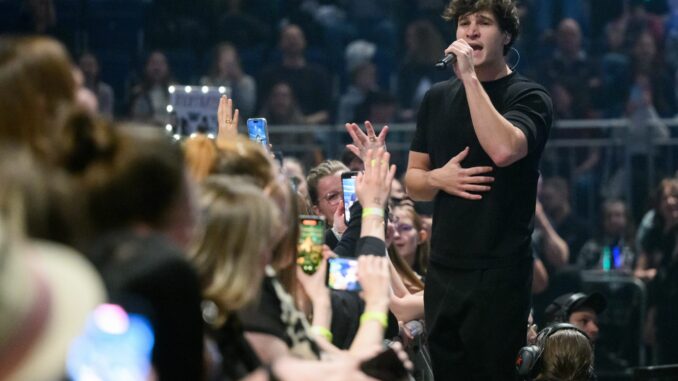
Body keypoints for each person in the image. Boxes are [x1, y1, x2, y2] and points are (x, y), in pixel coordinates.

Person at [404, 0, 553, 378]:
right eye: (463, 23)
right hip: (444, 268)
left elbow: (504, 150)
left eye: (483, 23)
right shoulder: (436, 98)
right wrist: (439, 179)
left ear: (505, 35)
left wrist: (469, 77)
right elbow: (414, 183)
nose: (470, 31)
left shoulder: (529, 96)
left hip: (499, 270)